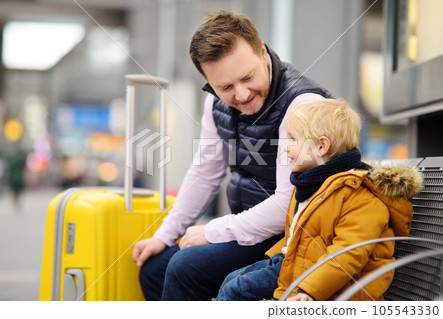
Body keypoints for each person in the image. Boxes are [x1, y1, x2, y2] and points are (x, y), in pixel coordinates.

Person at [132, 10, 333, 301]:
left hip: (295, 237)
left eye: (247, 77)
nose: (241, 95)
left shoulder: (302, 103)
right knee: (154, 268)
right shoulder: (215, 105)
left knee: (185, 267)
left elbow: (287, 205)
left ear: (262, 51)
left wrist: (214, 230)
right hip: (251, 230)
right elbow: (204, 175)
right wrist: (163, 236)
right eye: (225, 87)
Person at [216, 98, 423, 301]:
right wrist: (275, 257)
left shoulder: (360, 196)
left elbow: (347, 255)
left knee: (236, 289)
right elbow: (299, 236)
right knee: (230, 280)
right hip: (299, 266)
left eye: (293, 140)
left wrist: (309, 291)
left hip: (336, 286)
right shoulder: (314, 186)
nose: (286, 147)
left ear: (322, 146)